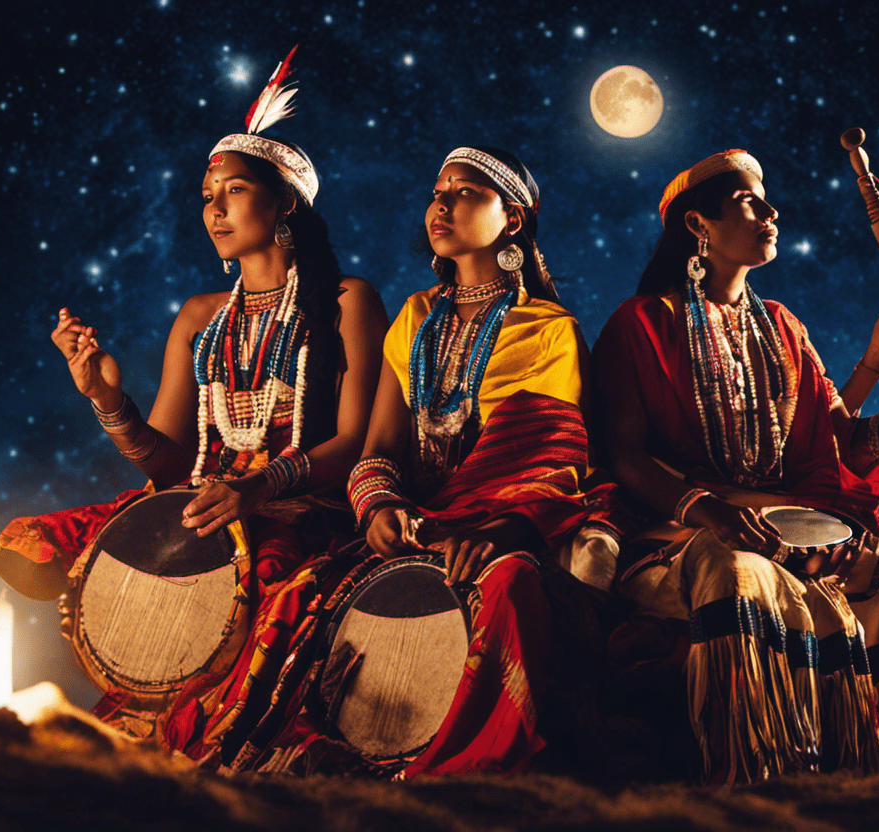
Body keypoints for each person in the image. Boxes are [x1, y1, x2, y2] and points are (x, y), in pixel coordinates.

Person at [0, 52, 388, 759]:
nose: (216, 208)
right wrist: (109, 402)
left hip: (295, 511)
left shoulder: (347, 301)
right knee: (35, 544)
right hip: (203, 502)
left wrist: (256, 489)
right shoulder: (200, 316)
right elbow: (169, 461)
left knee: (268, 595)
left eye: (234, 190)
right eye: (208, 196)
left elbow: (355, 441)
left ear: (286, 202)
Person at [592, 150, 879, 783]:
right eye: (750, 200)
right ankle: (763, 775)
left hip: (794, 532)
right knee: (741, 571)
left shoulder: (782, 328)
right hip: (683, 536)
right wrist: (708, 509)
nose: (771, 210)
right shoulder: (642, 323)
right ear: (699, 225)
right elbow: (623, 454)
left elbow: (846, 446)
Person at [232, 146, 619, 778]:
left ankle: (459, 772)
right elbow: (379, 448)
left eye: (465, 193)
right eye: (437, 191)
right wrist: (379, 506)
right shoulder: (413, 317)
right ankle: (308, 753)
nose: (440, 204)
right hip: (421, 519)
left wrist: (495, 533)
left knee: (509, 586)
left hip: (510, 526)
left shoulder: (550, 328)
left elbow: (553, 467)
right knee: (302, 589)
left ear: (513, 221)